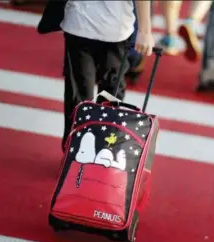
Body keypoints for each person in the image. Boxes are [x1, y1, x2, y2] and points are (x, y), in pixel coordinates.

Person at [60, 0, 154, 152]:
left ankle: (81, 151)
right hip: (90, 25)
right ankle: (89, 150)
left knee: (89, 94)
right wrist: (145, 31)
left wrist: (145, 31)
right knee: (99, 94)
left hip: (108, 28)